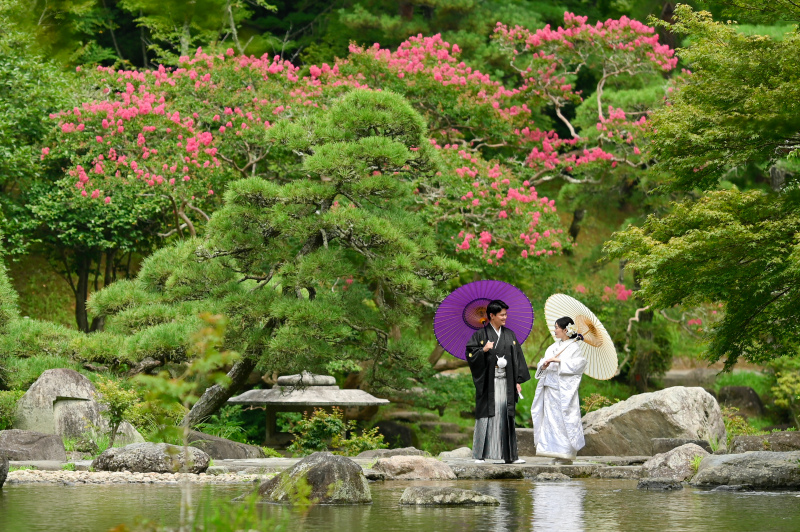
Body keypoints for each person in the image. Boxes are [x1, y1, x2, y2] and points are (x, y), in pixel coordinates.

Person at [465, 299, 531, 464]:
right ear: (492, 315)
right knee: (486, 416)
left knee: (506, 415)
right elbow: (470, 355)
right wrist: (483, 350)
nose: (505, 317)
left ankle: (510, 457)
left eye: (505, 314)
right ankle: (479, 455)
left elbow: (517, 358)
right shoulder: (480, 335)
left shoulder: (510, 335)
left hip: (507, 382)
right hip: (489, 383)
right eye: (501, 315)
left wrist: (517, 381)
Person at [530, 316, 588, 464]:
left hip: (562, 392)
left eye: (557, 328)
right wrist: (543, 365)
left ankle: (566, 456)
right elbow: (542, 363)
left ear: (565, 330)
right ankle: (555, 453)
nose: (555, 330)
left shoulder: (574, 348)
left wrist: (560, 361)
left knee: (564, 422)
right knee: (550, 423)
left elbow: (579, 365)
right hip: (549, 391)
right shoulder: (553, 347)